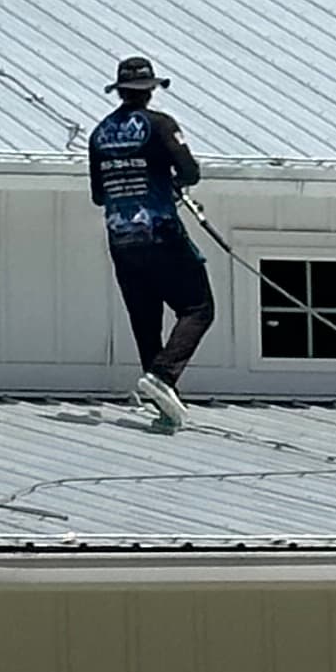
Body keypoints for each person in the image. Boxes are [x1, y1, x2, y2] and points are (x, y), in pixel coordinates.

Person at [85, 55, 215, 427]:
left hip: (121, 239)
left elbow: (99, 194)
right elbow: (190, 171)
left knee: (145, 319)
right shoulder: (160, 125)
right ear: (150, 91)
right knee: (198, 308)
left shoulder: (99, 134)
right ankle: (163, 378)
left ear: (121, 90)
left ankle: (162, 406)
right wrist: (168, 179)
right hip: (160, 231)